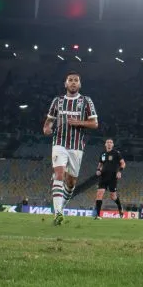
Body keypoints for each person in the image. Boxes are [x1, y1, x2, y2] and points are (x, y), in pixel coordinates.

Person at [43, 71, 98, 226]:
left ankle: (61, 206)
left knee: (72, 181)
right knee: (59, 174)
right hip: (59, 142)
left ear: (80, 84)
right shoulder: (57, 101)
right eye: (70, 80)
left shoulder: (86, 101)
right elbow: (49, 120)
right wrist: (47, 127)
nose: (73, 82)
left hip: (76, 146)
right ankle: (58, 213)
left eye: (76, 80)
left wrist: (79, 122)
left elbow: (94, 124)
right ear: (65, 84)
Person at [94, 138, 125, 219]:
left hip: (112, 177)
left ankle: (120, 206)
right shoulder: (102, 154)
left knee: (113, 196)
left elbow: (123, 163)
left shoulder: (116, 153)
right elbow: (100, 164)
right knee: (99, 194)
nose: (109, 143)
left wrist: (119, 171)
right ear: (105, 144)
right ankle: (98, 215)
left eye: (111, 142)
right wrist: (98, 170)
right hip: (103, 176)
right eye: (107, 142)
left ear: (113, 144)